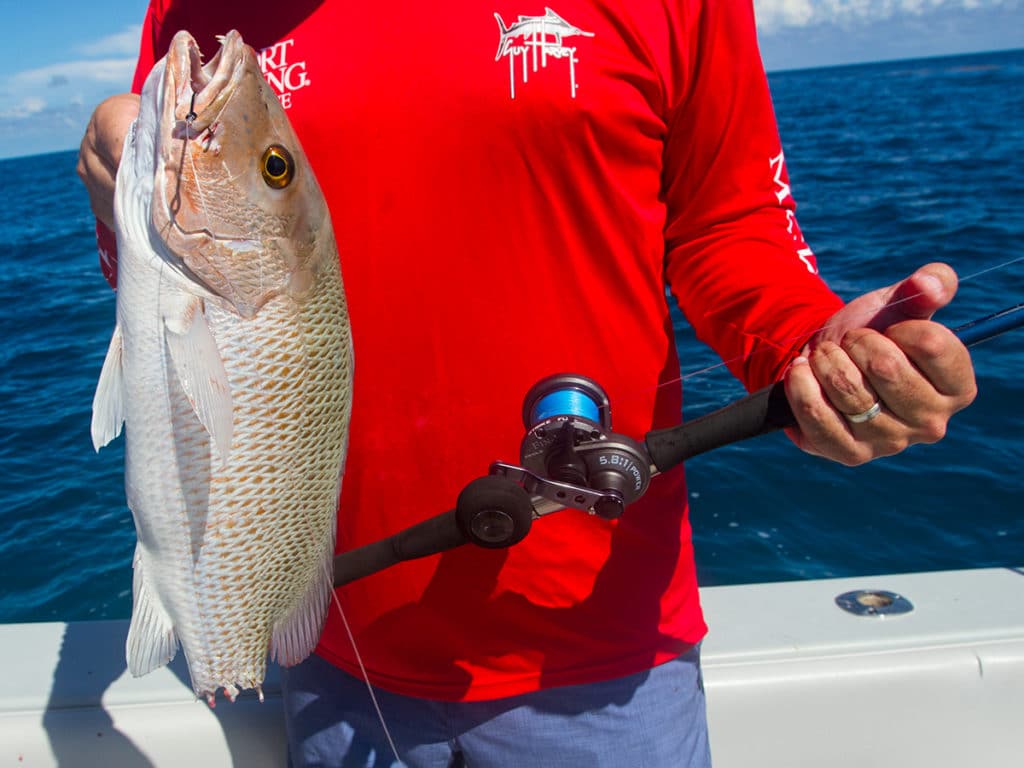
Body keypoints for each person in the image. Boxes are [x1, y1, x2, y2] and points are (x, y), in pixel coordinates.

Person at [77, 1, 976, 766]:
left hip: (601, 650)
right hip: (324, 645)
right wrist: (116, 204)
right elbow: (175, 302)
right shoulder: (197, 12)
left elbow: (727, 223)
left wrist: (803, 347)